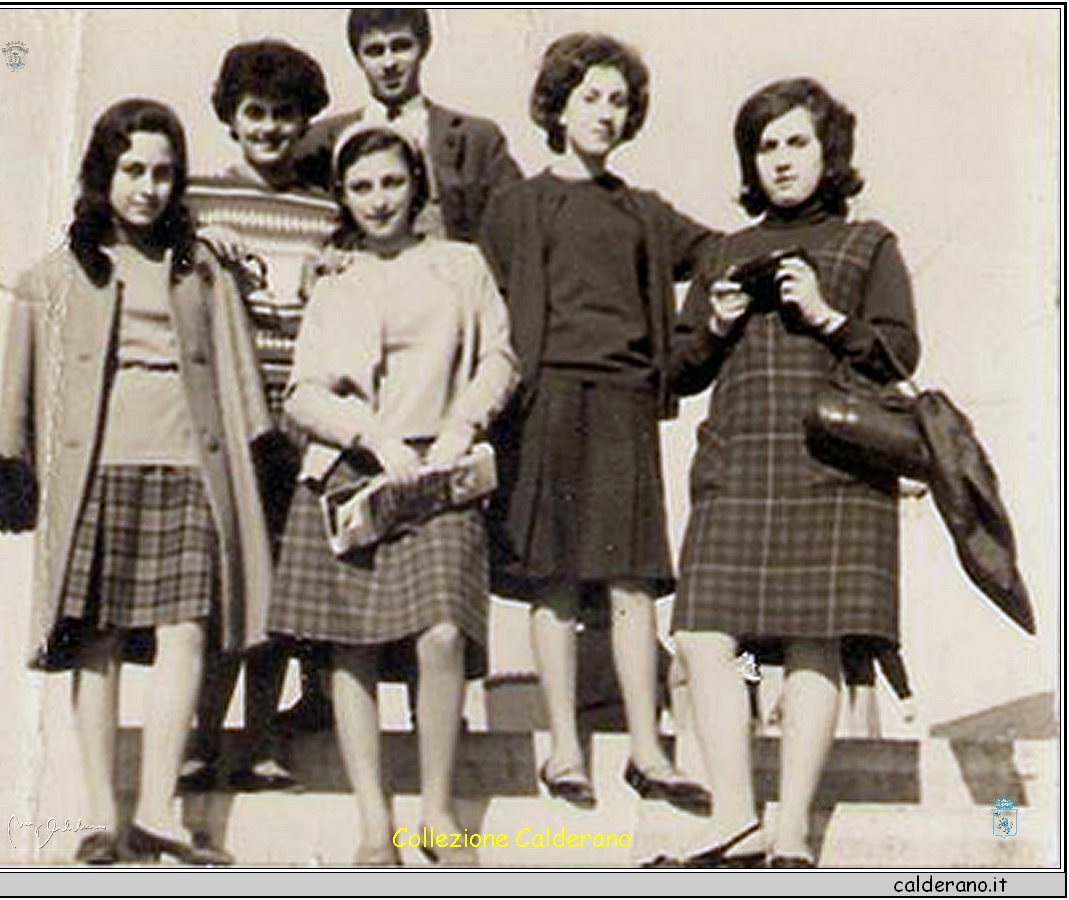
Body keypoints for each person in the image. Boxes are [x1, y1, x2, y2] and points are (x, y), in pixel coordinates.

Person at [0, 98, 273, 865]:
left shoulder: (202, 268)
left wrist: (259, 448)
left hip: (188, 469)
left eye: (164, 173)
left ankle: (160, 810)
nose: (148, 188)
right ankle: (105, 818)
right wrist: (7, 457)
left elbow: (239, 372)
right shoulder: (57, 276)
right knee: (96, 641)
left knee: (187, 634)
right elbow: (21, 381)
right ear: (102, 173)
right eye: (132, 169)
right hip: (98, 472)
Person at [661, 77, 920, 868]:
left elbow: (899, 353)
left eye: (795, 142)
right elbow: (677, 370)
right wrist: (712, 325)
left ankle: (794, 832)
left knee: (815, 641)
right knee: (704, 635)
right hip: (738, 459)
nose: (779, 160)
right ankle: (737, 817)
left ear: (827, 151)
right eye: (764, 145)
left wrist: (827, 315)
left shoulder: (868, 243)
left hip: (835, 464)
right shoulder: (722, 252)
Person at [269, 125, 518, 865]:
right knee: (352, 650)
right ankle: (375, 827)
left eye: (391, 182)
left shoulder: (459, 265)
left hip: (438, 473)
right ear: (343, 198)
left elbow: (499, 357)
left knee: (441, 631)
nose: (379, 200)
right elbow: (301, 393)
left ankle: (437, 812)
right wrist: (369, 437)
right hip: (352, 474)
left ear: (416, 186)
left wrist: (459, 427)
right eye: (361, 187)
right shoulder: (335, 283)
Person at [478, 33, 715, 811]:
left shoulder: (643, 212)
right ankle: (563, 750)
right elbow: (480, 300)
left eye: (618, 101)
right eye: (590, 97)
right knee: (552, 578)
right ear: (558, 104)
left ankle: (647, 750)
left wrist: (691, 339)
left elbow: (719, 256)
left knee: (631, 579)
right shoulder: (517, 204)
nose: (605, 113)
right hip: (544, 400)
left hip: (622, 402)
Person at [181, 38, 340, 795]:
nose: (270, 128)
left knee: (278, 582)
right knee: (217, 576)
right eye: (255, 114)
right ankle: (200, 732)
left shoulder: (328, 212)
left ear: (305, 120)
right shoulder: (195, 200)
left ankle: (263, 736)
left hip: (299, 419)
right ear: (230, 117)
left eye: (285, 115)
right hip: (223, 414)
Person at [297, 7, 522, 242]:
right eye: (374, 51)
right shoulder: (322, 141)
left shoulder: (477, 139)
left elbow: (517, 225)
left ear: (424, 47)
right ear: (358, 58)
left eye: (401, 46)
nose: (389, 63)